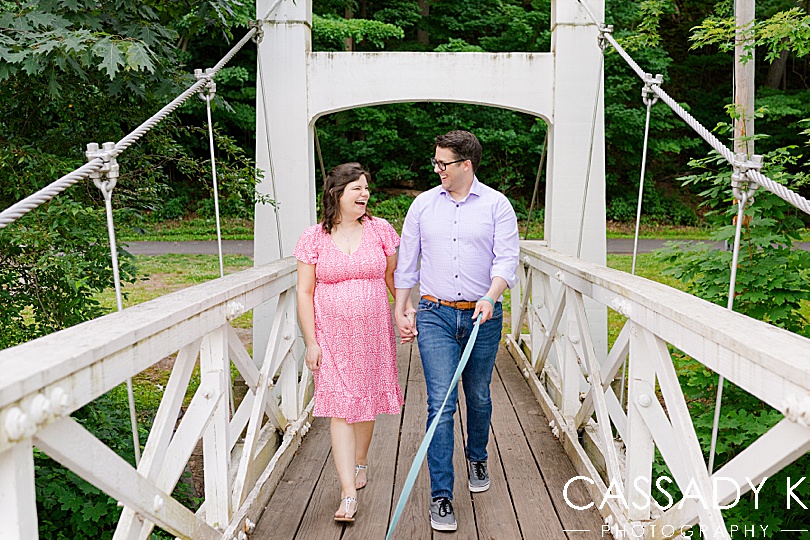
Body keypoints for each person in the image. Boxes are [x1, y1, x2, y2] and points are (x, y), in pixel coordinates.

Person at [394, 130, 520, 532]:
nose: (437, 170)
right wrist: (401, 306)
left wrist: (491, 294)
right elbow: (407, 262)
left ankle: (477, 454)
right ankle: (442, 497)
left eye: (443, 163)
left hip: (484, 315)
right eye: (436, 162)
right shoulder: (422, 205)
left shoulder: (497, 206)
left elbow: (507, 260)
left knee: (478, 396)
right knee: (440, 404)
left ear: (466, 165)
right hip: (435, 313)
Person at [294, 163, 407, 523]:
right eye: (356, 189)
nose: (364, 195)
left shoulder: (380, 231)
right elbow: (304, 291)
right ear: (336, 194)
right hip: (331, 335)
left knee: (366, 403)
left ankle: (361, 460)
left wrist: (405, 313)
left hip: (373, 334)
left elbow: (394, 278)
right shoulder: (313, 237)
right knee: (340, 408)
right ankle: (347, 495)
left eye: (366, 189)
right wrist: (311, 342)